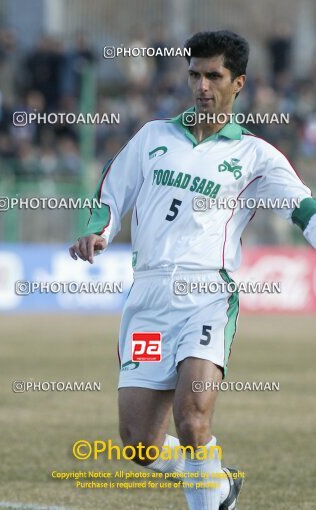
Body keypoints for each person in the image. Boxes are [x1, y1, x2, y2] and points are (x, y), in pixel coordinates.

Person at [69, 30, 316, 510]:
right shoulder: (152, 137)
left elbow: (304, 209)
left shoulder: (256, 156)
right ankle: (215, 482)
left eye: (214, 76)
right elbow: (110, 195)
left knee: (193, 420)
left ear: (238, 83)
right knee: (140, 443)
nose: (202, 86)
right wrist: (98, 231)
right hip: (148, 296)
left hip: (207, 294)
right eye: (194, 75)